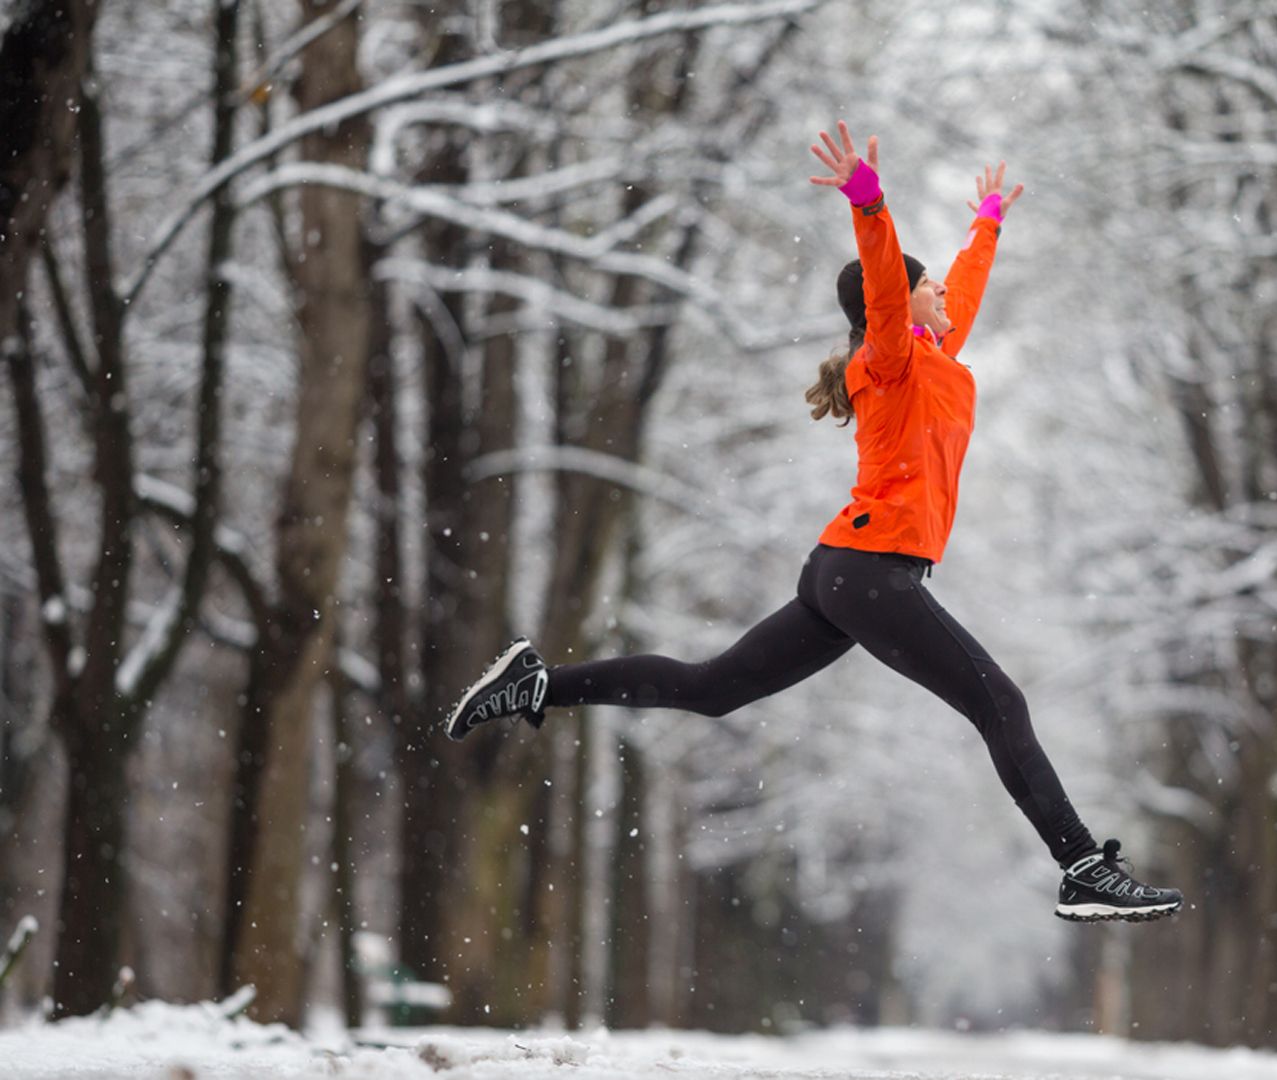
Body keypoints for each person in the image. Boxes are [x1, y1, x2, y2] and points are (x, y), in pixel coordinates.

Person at [445, 122, 1182, 924]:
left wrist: (989, 221)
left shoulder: (935, 357)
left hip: (846, 572)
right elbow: (889, 286)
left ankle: (540, 683)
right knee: (1000, 706)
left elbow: (960, 290)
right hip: (870, 572)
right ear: (893, 308)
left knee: (713, 689)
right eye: (925, 286)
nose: (940, 293)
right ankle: (1081, 866)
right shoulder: (890, 360)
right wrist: (869, 203)